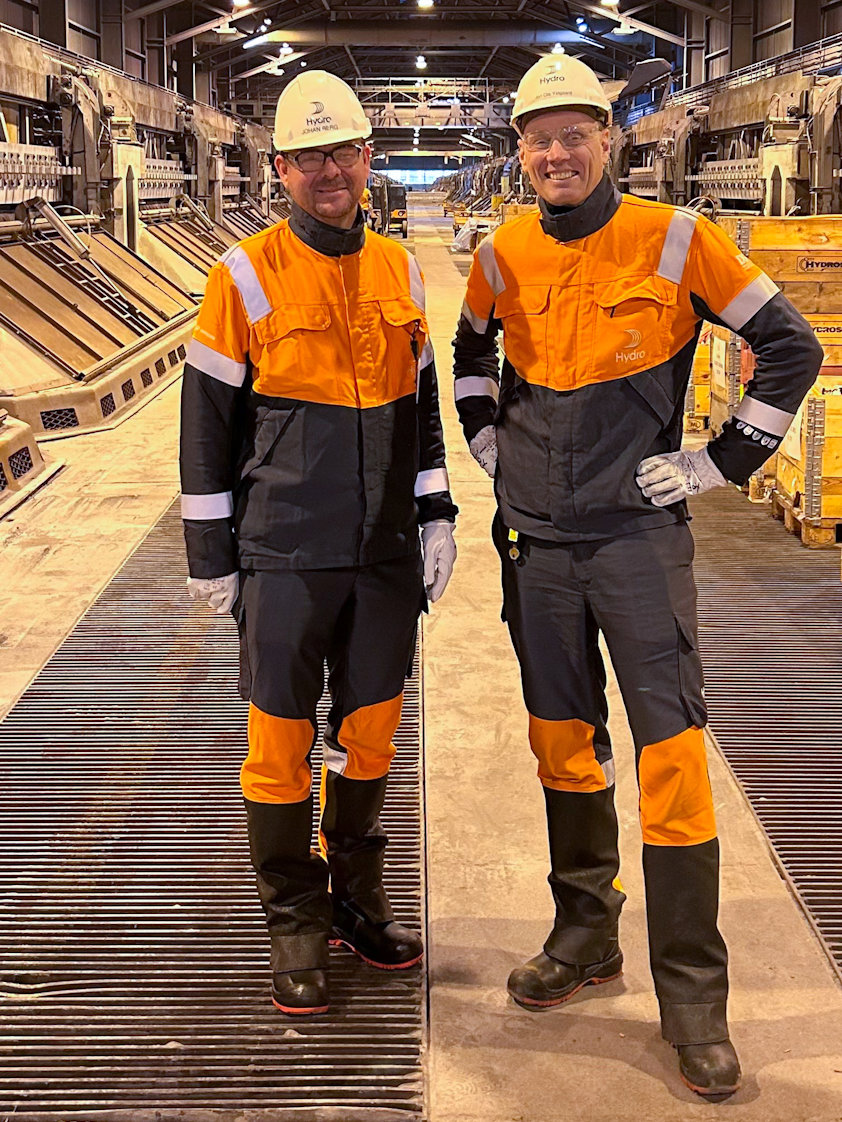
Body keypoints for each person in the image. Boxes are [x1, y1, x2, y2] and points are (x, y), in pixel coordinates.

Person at [452, 52, 822, 1098]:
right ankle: (584, 935)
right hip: (533, 539)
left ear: (609, 140)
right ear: (518, 153)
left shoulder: (677, 239)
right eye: (538, 138)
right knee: (561, 741)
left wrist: (721, 462)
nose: (556, 153)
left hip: (633, 542)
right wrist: (484, 441)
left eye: (575, 134)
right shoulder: (503, 250)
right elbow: (469, 351)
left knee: (669, 756)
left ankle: (691, 997)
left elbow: (786, 347)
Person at [180, 69, 457, 1017]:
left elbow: (419, 411)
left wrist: (438, 511)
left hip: (382, 556)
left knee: (372, 733)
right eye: (308, 157)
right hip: (285, 553)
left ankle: (356, 898)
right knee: (280, 746)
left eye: (342, 152)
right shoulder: (244, 274)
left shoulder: (400, 269)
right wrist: (211, 557)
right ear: (281, 169)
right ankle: (293, 920)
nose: (328, 171)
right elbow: (207, 425)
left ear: (367, 160)